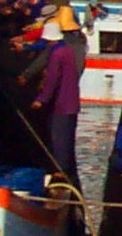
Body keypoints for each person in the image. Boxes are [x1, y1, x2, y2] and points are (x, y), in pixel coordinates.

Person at [31, 13, 86, 180]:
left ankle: (60, 171)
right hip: (72, 102)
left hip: (61, 103)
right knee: (68, 137)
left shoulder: (56, 54)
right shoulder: (69, 51)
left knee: (59, 137)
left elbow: (52, 79)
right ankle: (66, 169)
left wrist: (41, 99)